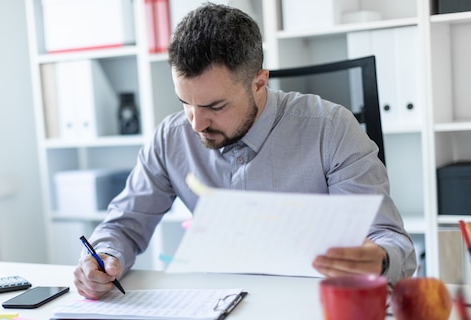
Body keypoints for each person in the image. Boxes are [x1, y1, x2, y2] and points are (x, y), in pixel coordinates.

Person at [73, 3, 417, 300]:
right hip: (215, 310)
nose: (196, 123)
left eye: (215, 106)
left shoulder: (331, 127)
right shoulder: (171, 138)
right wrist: (103, 258)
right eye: (185, 103)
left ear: (259, 82)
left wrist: (379, 258)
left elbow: (392, 242)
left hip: (311, 309)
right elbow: (124, 225)